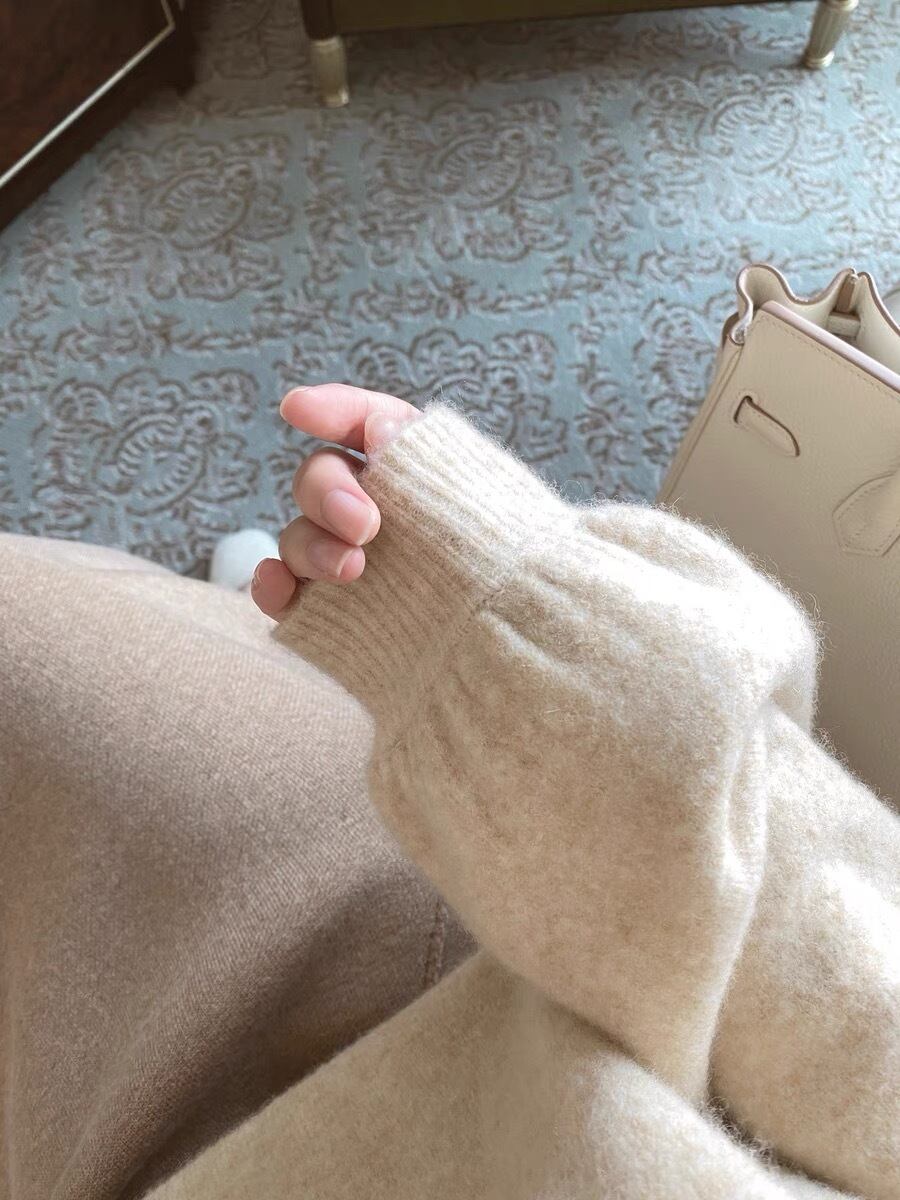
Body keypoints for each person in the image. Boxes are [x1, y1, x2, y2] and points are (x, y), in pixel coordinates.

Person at [2, 385, 898, 1200]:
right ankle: (252, 627)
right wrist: (507, 629)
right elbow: (853, 1024)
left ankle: (241, 627)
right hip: (499, 993)